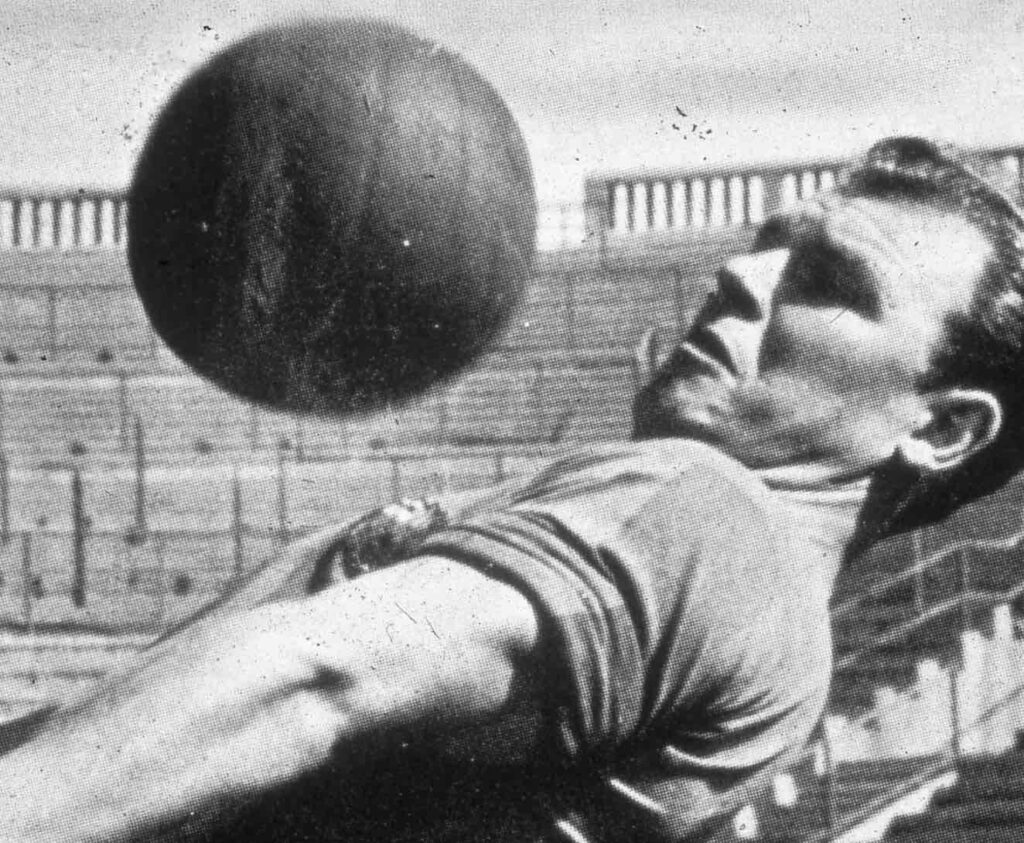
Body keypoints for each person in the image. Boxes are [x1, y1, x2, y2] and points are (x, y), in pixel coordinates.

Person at [1, 135, 1022, 843]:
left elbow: (314, 677)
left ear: (940, 429)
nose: (739, 277)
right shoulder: (778, 646)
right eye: (769, 244)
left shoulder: (702, 513)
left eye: (829, 283)